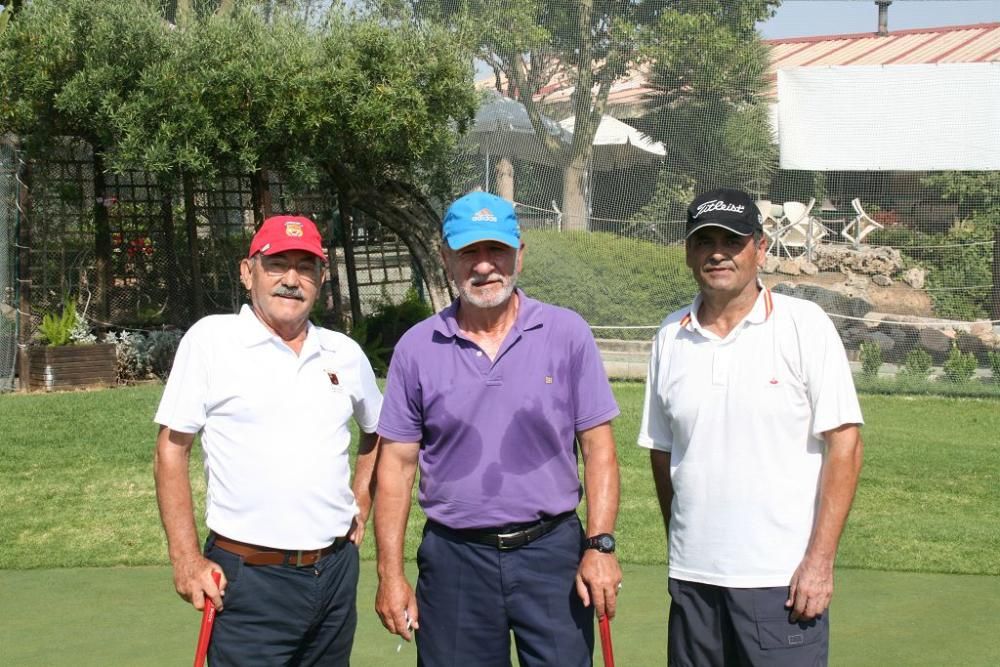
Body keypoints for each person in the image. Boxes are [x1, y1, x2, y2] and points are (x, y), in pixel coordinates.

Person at [373, 191, 623, 666]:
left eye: (497, 251)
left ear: (519, 256)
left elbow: (599, 452)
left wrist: (600, 545)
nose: (484, 266)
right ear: (446, 259)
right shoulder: (416, 347)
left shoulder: (567, 333)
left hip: (551, 555)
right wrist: (390, 574)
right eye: (469, 252)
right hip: (454, 560)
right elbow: (396, 468)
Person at [638, 188, 865, 666]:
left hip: (781, 582)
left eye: (733, 241)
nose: (717, 252)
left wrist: (820, 562)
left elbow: (845, 444)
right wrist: (682, 541)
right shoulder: (669, 336)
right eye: (704, 241)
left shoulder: (805, 325)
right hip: (694, 582)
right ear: (688, 252)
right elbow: (662, 452)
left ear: (760, 248)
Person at [153, 214, 382, 666]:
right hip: (248, 580)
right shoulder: (211, 341)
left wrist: (360, 500)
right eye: (277, 264)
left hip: (335, 574)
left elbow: (378, 434)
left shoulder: (344, 352)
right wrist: (185, 557)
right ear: (247, 271)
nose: (291, 280)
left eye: (306, 266)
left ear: (321, 277)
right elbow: (170, 450)